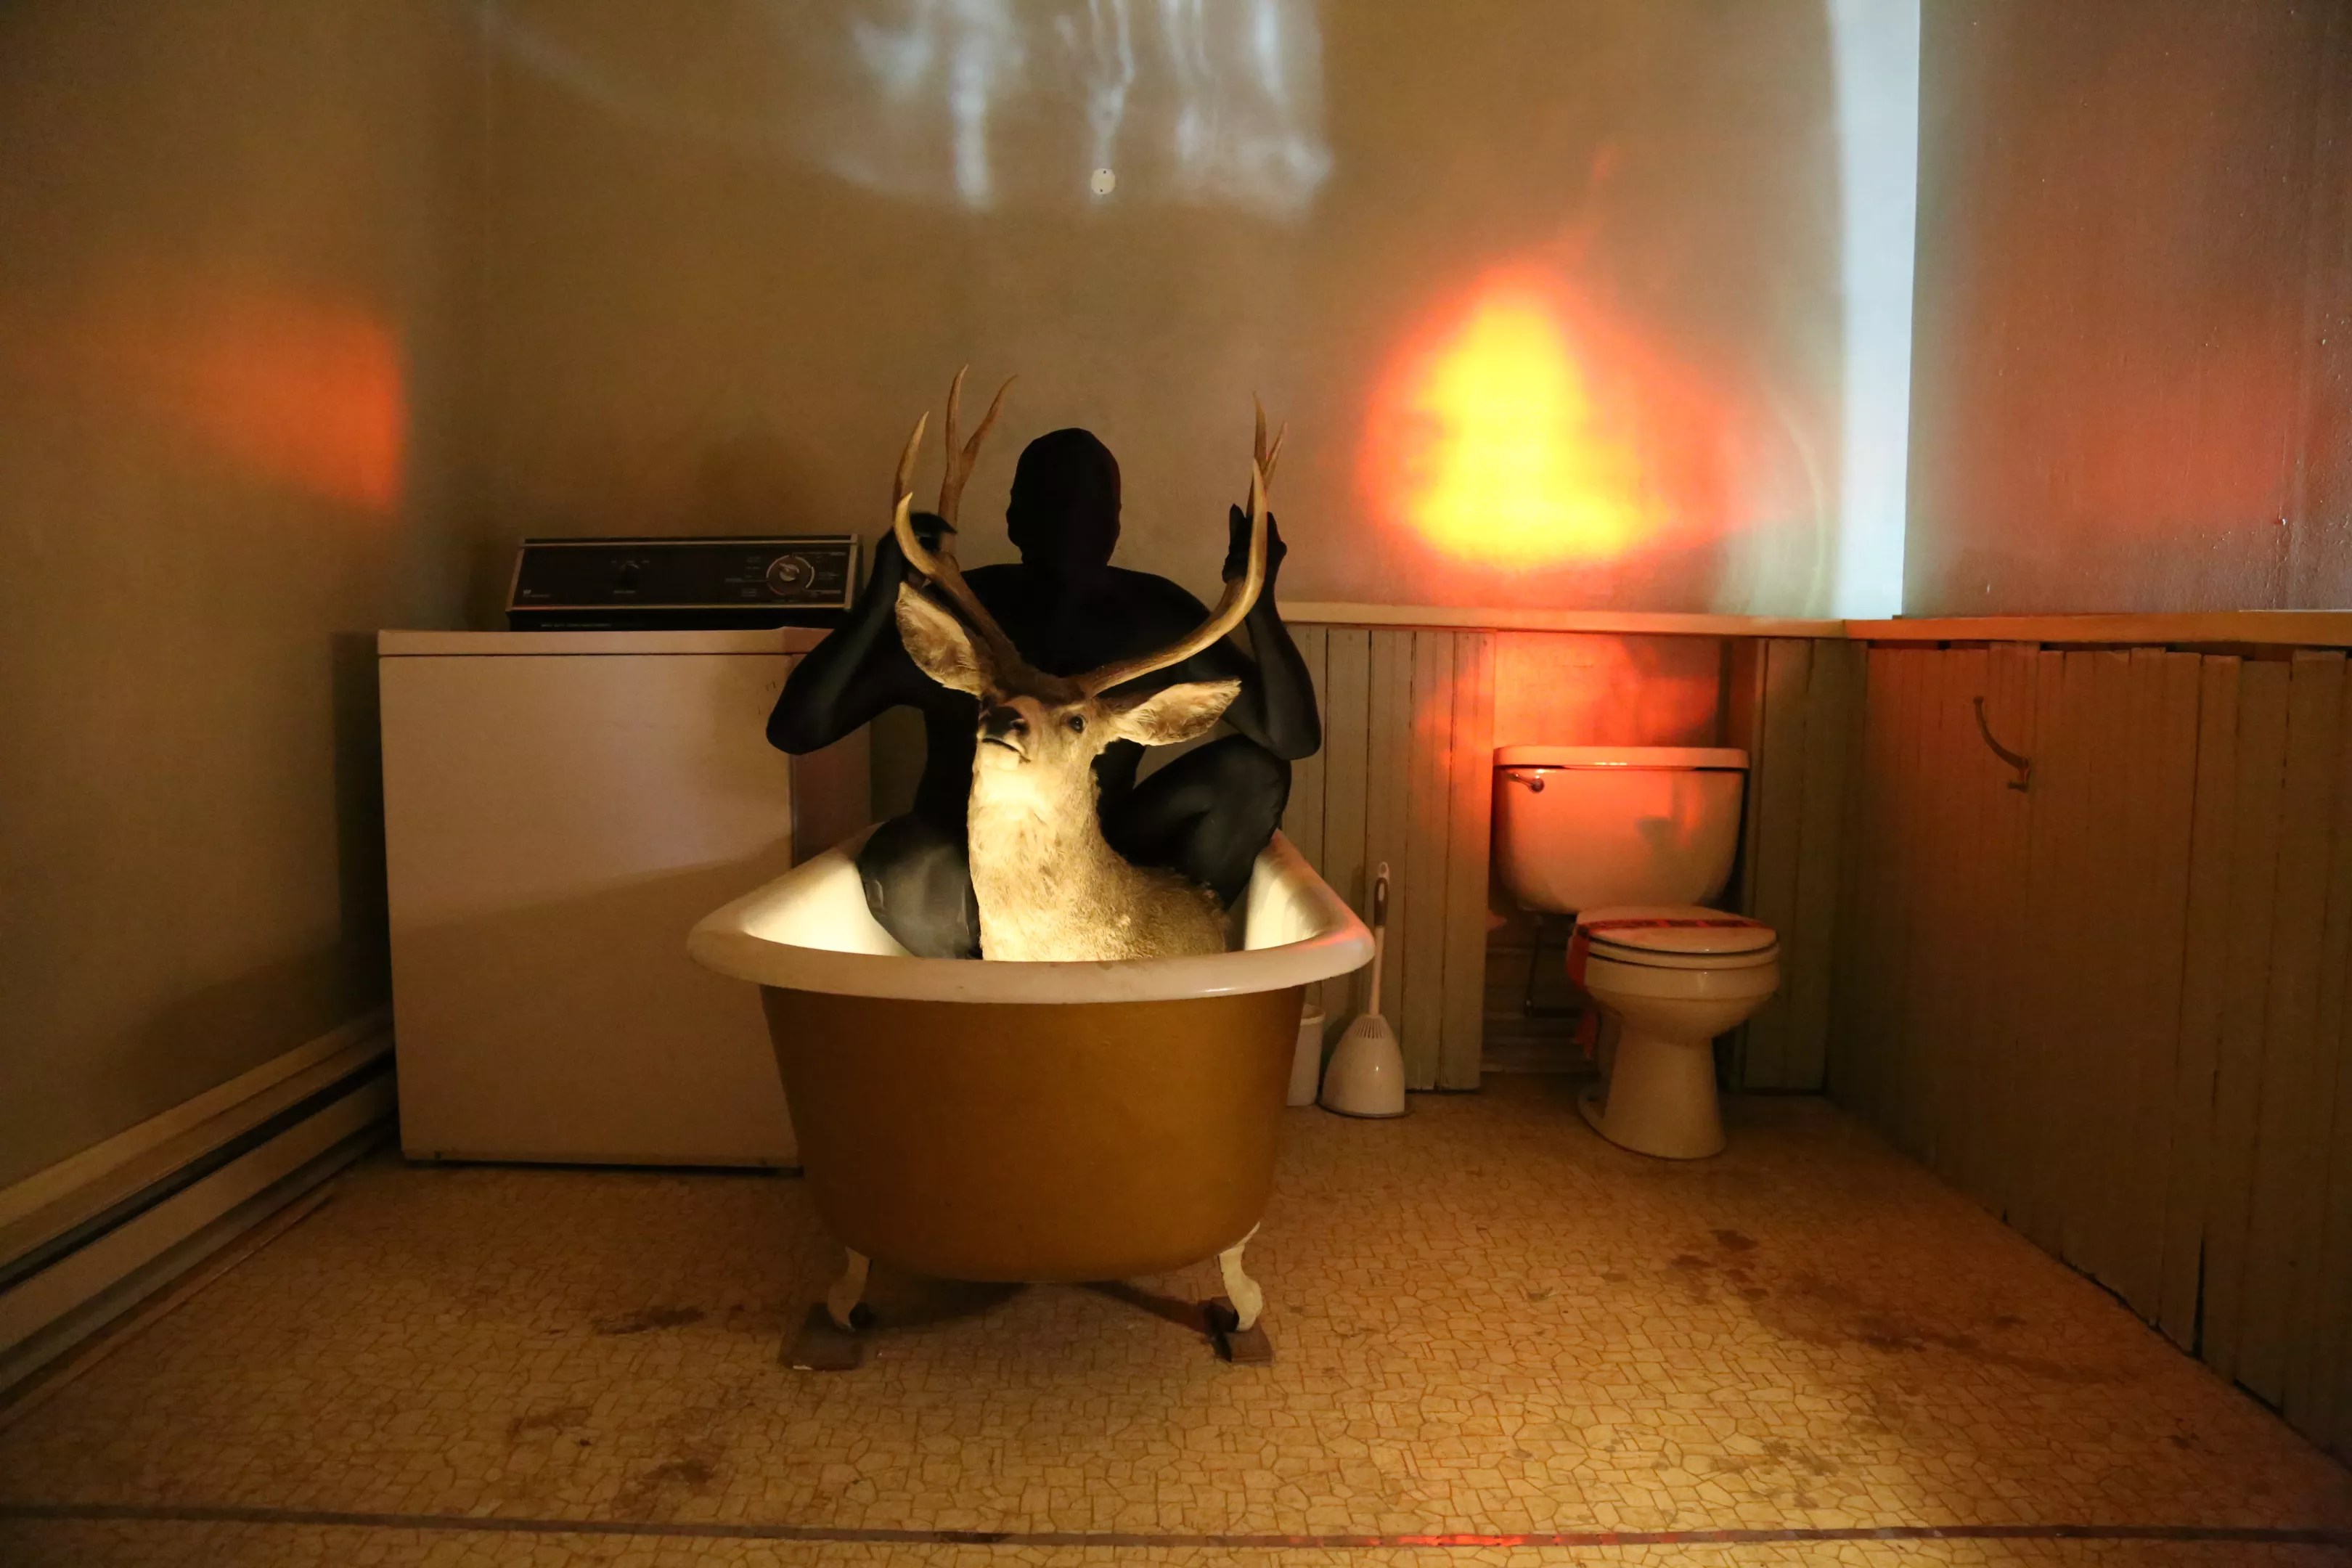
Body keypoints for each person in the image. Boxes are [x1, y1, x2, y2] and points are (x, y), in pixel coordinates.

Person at [767, 427, 1321, 957]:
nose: (1073, 521)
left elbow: (1291, 740)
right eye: (1053, 502)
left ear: (1116, 524)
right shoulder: (958, 619)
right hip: (969, 869)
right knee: (907, 865)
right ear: (1014, 520)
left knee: (1251, 774)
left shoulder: (1154, 618)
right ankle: (983, 992)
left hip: (1102, 861)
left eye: (1092, 507)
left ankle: (1173, 955)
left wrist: (1260, 600)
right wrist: (880, 601)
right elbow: (797, 729)